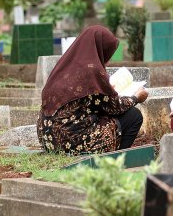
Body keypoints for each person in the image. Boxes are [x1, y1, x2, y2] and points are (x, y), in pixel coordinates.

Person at [37, 26, 148, 155]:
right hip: (69, 142)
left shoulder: (64, 65)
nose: (108, 59)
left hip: (48, 139)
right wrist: (135, 97)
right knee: (133, 116)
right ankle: (117, 159)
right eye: (108, 53)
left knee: (99, 115)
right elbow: (115, 107)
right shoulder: (92, 71)